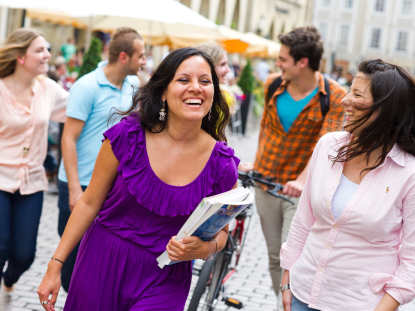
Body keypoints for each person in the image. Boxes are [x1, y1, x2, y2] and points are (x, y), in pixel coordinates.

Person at [37, 47, 239, 311]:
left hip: (166, 277)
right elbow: (89, 203)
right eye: (183, 80)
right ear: (163, 91)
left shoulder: (222, 165)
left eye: (205, 81)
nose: (196, 88)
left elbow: (222, 235)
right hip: (101, 263)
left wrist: (201, 249)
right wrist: (56, 264)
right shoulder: (127, 137)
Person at [280, 59, 415, 311]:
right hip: (302, 292)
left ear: (385, 109)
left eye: (357, 94)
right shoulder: (329, 146)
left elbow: (412, 261)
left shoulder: (408, 174)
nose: (344, 101)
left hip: (360, 304)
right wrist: (287, 277)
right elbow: (304, 219)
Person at [251, 26, 346, 304]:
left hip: (300, 193)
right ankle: (282, 303)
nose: (277, 64)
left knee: (291, 257)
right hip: (265, 183)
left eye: (282, 59)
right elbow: (265, 129)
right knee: (272, 256)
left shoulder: (333, 96)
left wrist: (303, 180)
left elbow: (325, 145)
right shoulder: (272, 84)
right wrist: (253, 163)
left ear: (302, 62)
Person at [56, 27, 146, 292]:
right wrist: (73, 189)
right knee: (71, 259)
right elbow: (68, 138)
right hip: (80, 183)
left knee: (97, 256)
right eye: (140, 56)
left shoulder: (134, 85)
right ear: (123, 57)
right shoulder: (87, 86)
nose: (143, 62)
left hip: (111, 185)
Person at [0, 28, 67, 291]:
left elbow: (79, 110)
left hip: (32, 182)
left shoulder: (49, 89)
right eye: (39, 50)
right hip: (0, 180)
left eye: (47, 49)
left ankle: (10, 279)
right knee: (0, 246)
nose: (47, 55)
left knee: (24, 256)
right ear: (20, 57)